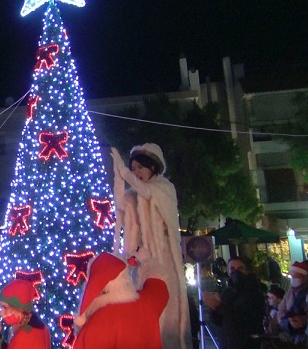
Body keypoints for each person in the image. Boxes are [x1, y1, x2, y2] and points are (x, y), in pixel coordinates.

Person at [111, 144, 191, 349]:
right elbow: (120, 203)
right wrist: (118, 177)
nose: (136, 172)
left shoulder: (165, 187)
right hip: (141, 261)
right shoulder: (133, 192)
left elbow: (147, 192)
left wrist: (125, 172)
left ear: (153, 166)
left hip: (164, 256)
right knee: (142, 305)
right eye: (133, 167)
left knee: (167, 307)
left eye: (140, 167)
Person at [72, 251, 168, 349]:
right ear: (125, 276)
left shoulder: (95, 325)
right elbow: (158, 284)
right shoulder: (148, 302)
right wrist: (145, 261)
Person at [202, 256, 265, 349]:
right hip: (228, 342)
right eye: (232, 268)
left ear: (246, 271)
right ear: (228, 272)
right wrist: (213, 309)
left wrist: (219, 307)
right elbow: (219, 321)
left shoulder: (254, 291)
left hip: (247, 344)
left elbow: (245, 319)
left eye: (240, 268)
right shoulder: (227, 292)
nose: (236, 272)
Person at [0, 279, 50, 349]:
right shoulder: (35, 327)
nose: (1, 313)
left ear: (19, 308)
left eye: (5, 307)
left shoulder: (26, 335)